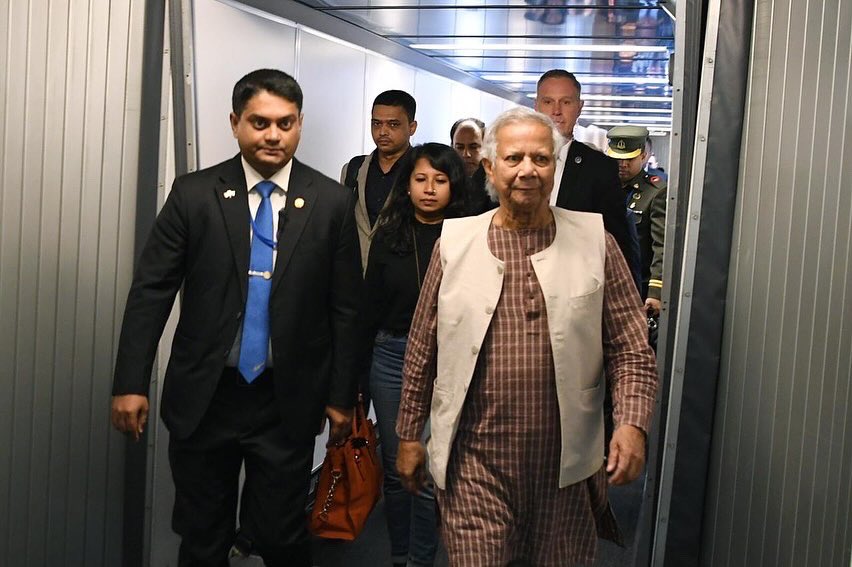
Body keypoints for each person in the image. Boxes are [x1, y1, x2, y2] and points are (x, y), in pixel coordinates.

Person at [110, 69, 362, 567]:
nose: (273, 135)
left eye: (286, 123)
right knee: (203, 535)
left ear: (300, 124)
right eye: (260, 122)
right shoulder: (194, 194)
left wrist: (340, 397)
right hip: (207, 397)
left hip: (285, 399)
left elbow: (347, 309)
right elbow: (151, 292)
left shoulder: (331, 202)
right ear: (234, 123)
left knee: (282, 536)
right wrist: (130, 382)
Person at [395, 107, 658, 566]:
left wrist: (632, 424)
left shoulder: (597, 242)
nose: (527, 171)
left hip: (567, 465)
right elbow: (422, 346)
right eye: (514, 158)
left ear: (554, 169)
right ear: (490, 170)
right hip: (474, 462)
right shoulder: (454, 243)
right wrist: (409, 434)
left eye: (541, 159)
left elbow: (631, 348)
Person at [362, 143, 470, 567]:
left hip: (448, 361)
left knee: (425, 471)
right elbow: (368, 310)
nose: (429, 189)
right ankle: (398, 552)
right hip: (391, 356)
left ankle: (421, 560)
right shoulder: (388, 235)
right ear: (406, 185)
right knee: (395, 469)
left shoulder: (470, 236)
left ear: (453, 187)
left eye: (439, 181)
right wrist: (355, 383)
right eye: (420, 179)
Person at [534, 69, 641, 286]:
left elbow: (617, 242)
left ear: (579, 107)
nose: (556, 111)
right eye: (548, 102)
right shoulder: (506, 159)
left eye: (566, 102)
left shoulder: (600, 169)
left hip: (574, 287)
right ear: (536, 106)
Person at [341, 90, 418, 271]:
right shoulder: (354, 169)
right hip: (357, 275)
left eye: (393, 124)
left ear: (412, 127)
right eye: (376, 124)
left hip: (402, 275)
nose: (383, 131)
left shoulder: (422, 172)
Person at [607, 125, 667, 317]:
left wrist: (656, 291)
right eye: (617, 158)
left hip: (635, 287)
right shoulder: (601, 187)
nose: (622, 164)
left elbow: (661, 245)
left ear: (643, 156)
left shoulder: (655, 192)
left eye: (629, 158)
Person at [451, 117, 495, 214]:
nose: (466, 154)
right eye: (460, 147)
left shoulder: (496, 186)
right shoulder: (445, 183)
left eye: (473, 147)